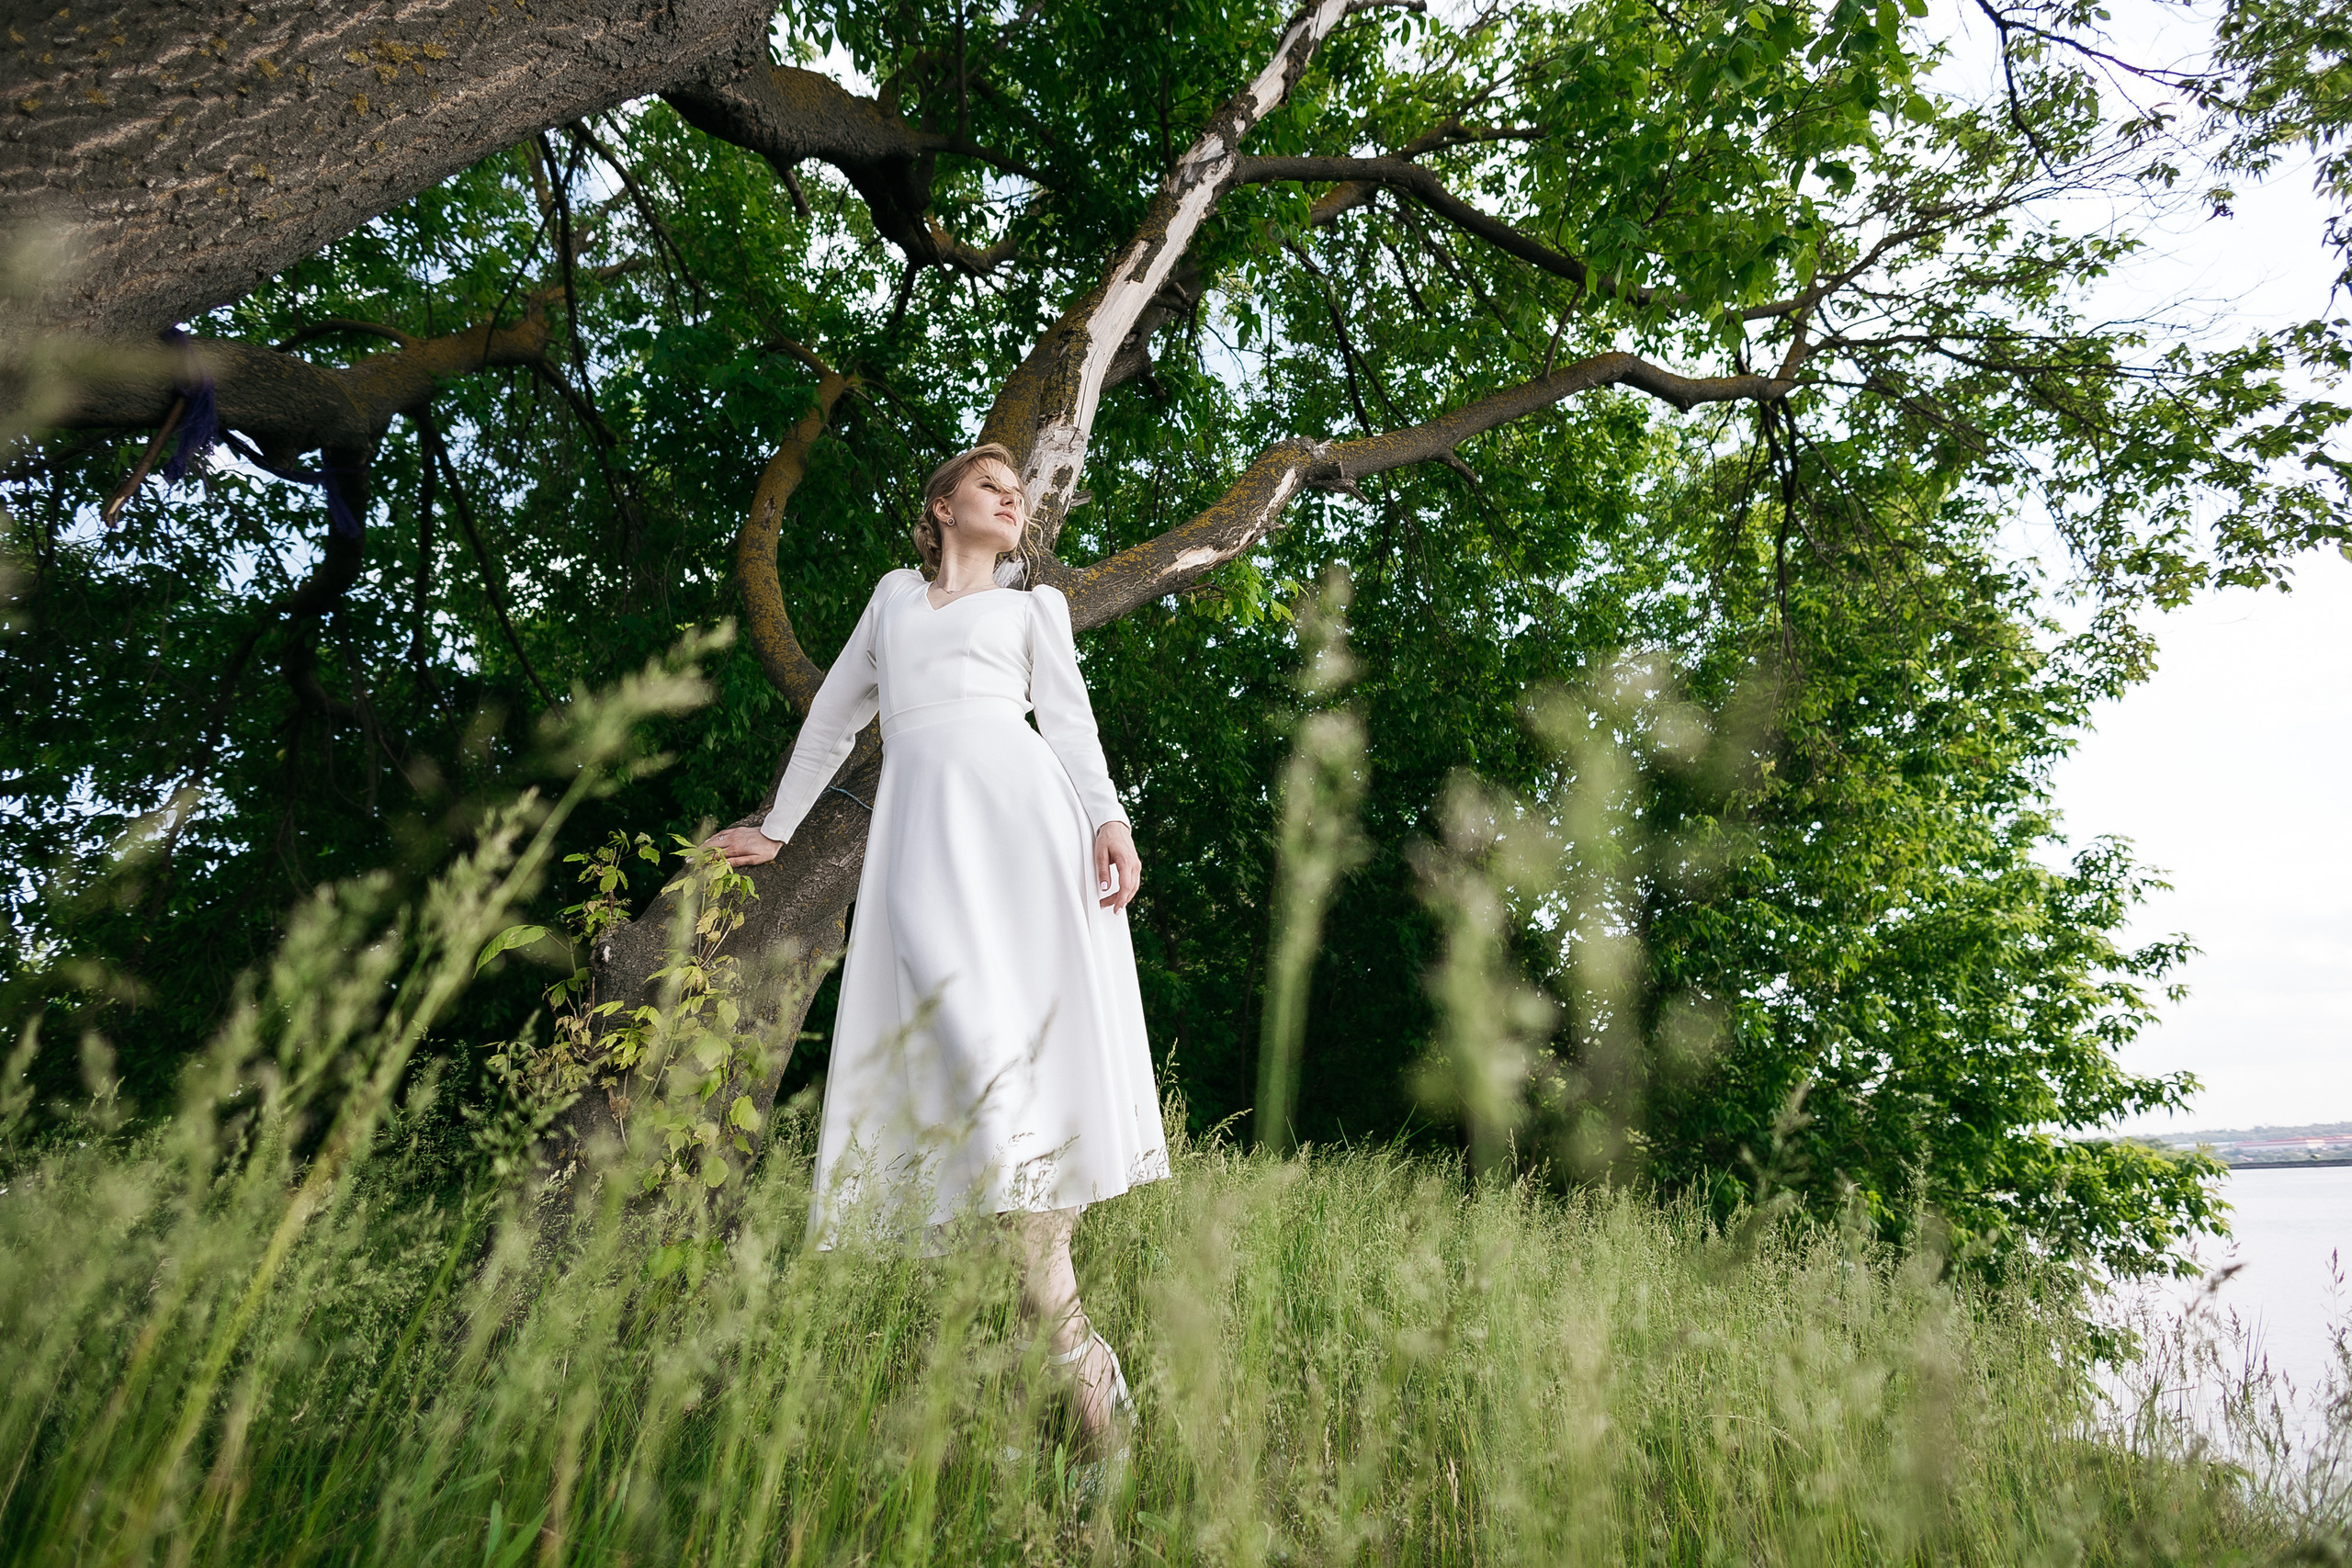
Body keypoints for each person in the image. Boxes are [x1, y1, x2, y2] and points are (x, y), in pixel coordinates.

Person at [706, 443, 1170, 1459]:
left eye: (1021, 494)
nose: (1012, 500)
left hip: (1026, 834)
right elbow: (833, 718)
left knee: (1027, 1081)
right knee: (960, 1054)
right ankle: (1078, 1357)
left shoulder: (1030, 610)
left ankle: (1077, 1370)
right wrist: (779, 828)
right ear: (941, 506)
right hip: (922, 850)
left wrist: (1112, 822)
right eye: (991, 487)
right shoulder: (891, 601)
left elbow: (1075, 730)